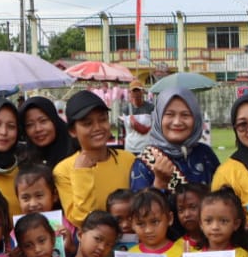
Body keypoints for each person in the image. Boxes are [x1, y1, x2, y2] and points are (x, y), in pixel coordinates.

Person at [127, 87, 221, 206]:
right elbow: (140, 215)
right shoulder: (144, 163)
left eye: (185, 115)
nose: (177, 122)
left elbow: (222, 199)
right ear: (158, 118)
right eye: (169, 114)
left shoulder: (205, 154)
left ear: (196, 119)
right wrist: (160, 183)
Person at [53, 92, 135, 228]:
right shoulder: (63, 170)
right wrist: (81, 173)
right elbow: (81, 220)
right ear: (73, 131)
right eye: (87, 123)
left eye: (102, 120)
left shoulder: (128, 159)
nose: (97, 128)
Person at [17, 96, 77, 170]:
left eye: (43, 121)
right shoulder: (25, 160)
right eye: (29, 124)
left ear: (54, 120)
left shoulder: (77, 153)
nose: (38, 129)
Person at [122, 85, 154, 154]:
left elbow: (153, 128)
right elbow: (128, 128)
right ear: (130, 94)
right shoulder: (126, 109)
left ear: (142, 92)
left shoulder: (151, 107)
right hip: (130, 148)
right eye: (134, 91)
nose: (136, 93)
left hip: (146, 148)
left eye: (138, 91)